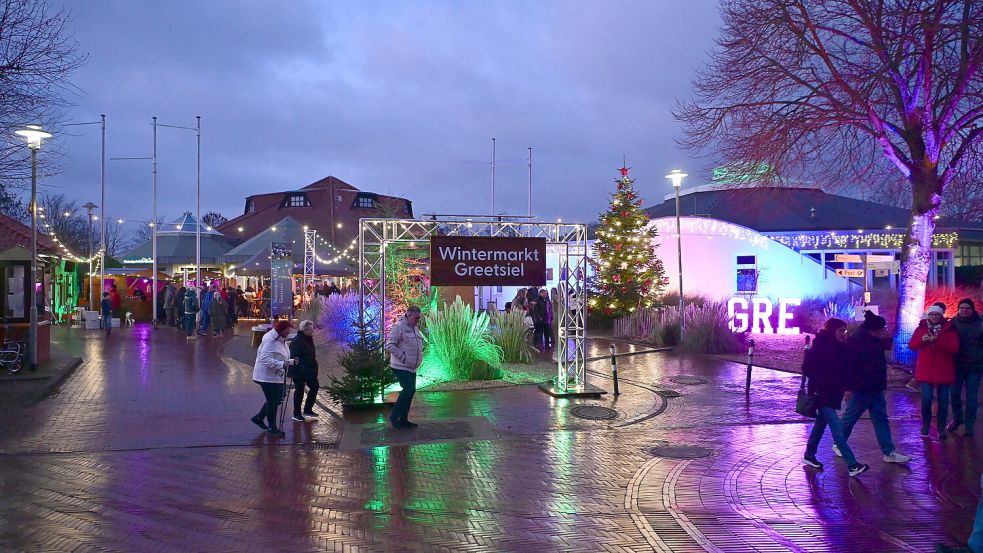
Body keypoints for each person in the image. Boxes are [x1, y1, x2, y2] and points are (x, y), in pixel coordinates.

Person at [838, 311, 912, 463]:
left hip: (875, 386)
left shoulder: (872, 339)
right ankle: (839, 443)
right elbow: (850, 366)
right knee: (851, 418)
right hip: (861, 387)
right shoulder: (857, 342)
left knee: (879, 419)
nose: (885, 330)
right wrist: (848, 387)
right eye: (882, 328)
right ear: (875, 329)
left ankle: (889, 451)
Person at [803, 318, 870, 476]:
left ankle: (809, 454)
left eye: (844, 331)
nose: (843, 333)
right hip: (821, 393)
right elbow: (807, 367)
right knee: (837, 428)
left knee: (820, 425)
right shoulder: (820, 347)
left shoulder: (841, 347)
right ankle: (852, 464)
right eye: (840, 330)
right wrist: (821, 381)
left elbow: (846, 368)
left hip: (832, 392)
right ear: (832, 330)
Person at [910, 304, 960, 439]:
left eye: (937, 315)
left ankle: (941, 427)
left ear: (941, 316)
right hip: (926, 370)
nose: (934, 317)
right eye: (932, 314)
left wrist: (937, 341)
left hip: (944, 369)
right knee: (926, 398)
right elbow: (912, 345)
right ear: (928, 315)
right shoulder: (921, 329)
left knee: (943, 401)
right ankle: (925, 423)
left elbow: (954, 348)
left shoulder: (949, 329)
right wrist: (922, 340)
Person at [251, 320, 297, 438]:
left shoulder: (282, 341)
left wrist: (290, 362)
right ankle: (272, 427)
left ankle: (259, 418)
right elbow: (264, 359)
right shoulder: (271, 341)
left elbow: (281, 356)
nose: (289, 332)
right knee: (273, 401)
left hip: (275, 376)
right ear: (281, 331)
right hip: (267, 377)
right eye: (287, 330)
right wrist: (281, 365)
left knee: (276, 399)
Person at [385, 306, 424, 429]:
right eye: (416, 317)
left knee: (411, 391)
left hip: (411, 367)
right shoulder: (399, 327)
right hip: (400, 365)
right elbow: (390, 345)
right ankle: (394, 416)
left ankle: (403, 419)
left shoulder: (415, 328)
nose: (418, 320)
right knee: (408, 389)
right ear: (408, 315)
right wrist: (403, 357)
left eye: (419, 317)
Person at [949, 298, 983, 437]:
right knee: (954, 394)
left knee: (971, 397)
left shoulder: (980, 324)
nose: (964, 310)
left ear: (972, 309)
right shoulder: (953, 323)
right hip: (957, 365)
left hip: (974, 366)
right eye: (962, 308)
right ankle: (958, 418)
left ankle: (969, 425)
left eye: (967, 308)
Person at [289, 319, 320, 422]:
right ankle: (296, 413)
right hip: (300, 372)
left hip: (309, 370)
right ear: (305, 330)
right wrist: (299, 370)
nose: (312, 332)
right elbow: (294, 358)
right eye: (311, 330)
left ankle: (307, 409)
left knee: (315, 387)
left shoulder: (308, 339)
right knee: (299, 392)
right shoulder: (297, 341)